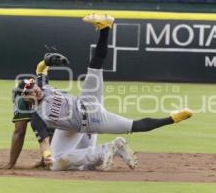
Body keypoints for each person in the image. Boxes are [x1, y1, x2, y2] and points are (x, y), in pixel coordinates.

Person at [22, 14, 192, 171]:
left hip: (90, 111)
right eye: (30, 91)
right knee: (82, 165)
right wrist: (46, 155)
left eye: (32, 86)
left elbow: (40, 70)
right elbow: (43, 141)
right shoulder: (37, 116)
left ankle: (104, 28)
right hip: (79, 125)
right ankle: (115, 147)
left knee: (96, 66)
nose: (34, 89)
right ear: (27, 99)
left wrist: (46, 61)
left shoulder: (42, 86)